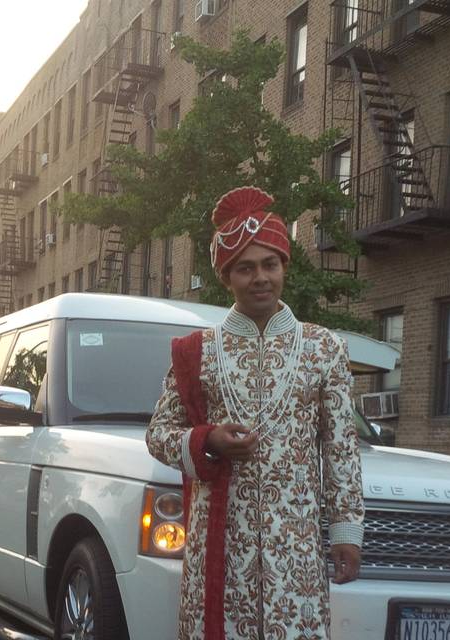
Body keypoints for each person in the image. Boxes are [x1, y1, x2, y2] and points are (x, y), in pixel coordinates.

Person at [146, 187, 364, 640]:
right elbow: (159, 434)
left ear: (285, 266)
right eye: (245, 268)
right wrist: (207, 440)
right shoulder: (198, 353)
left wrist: (346, 530)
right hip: (221, 543)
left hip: (296, 546)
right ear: (227, 277)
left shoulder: (323, 349)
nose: (260, 277)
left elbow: (341, 449)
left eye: (270, 264)